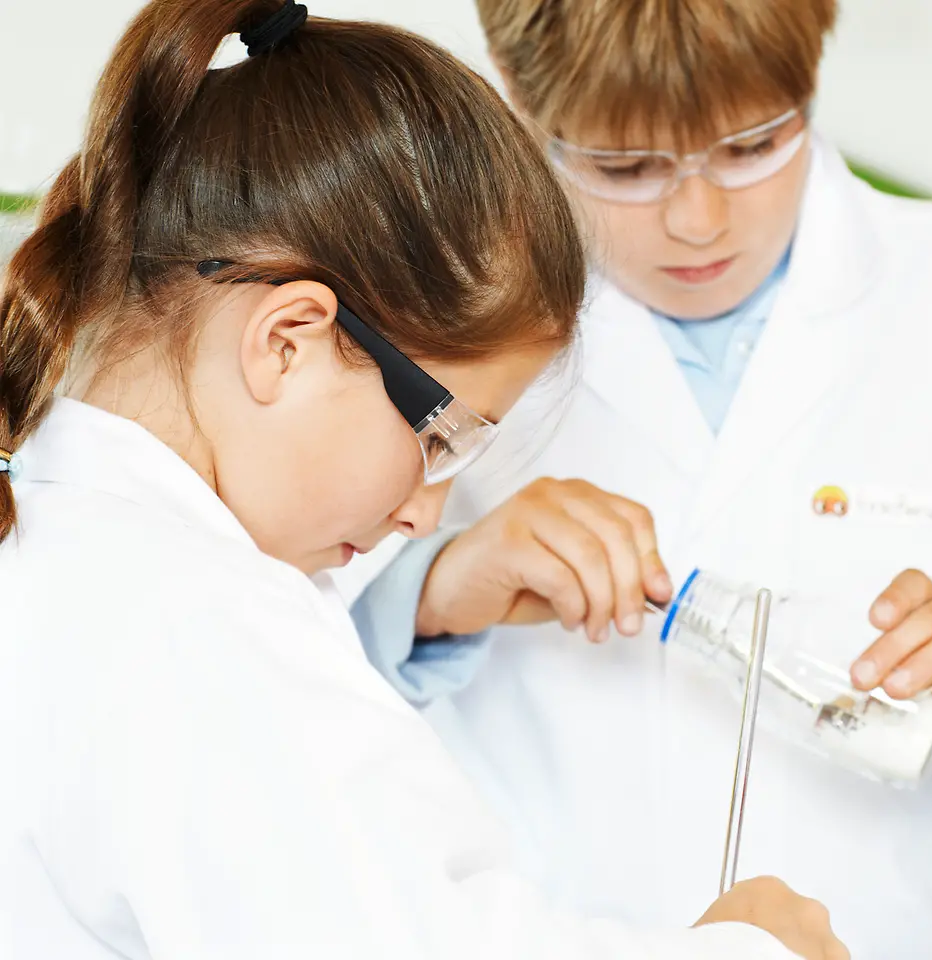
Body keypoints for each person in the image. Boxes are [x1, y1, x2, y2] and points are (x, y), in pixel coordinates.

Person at [0, 2, 849, 957]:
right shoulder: (203, 627)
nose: (421, 511)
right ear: (288, 341)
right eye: (443, 437)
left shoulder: (56, 542)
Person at [348, 0, 932, 957]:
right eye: (627, 167)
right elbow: (273, 628)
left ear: (807, 83)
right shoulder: (426, 312)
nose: (696, 219)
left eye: (751, 146)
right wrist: (433, 590)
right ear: (524, 108)